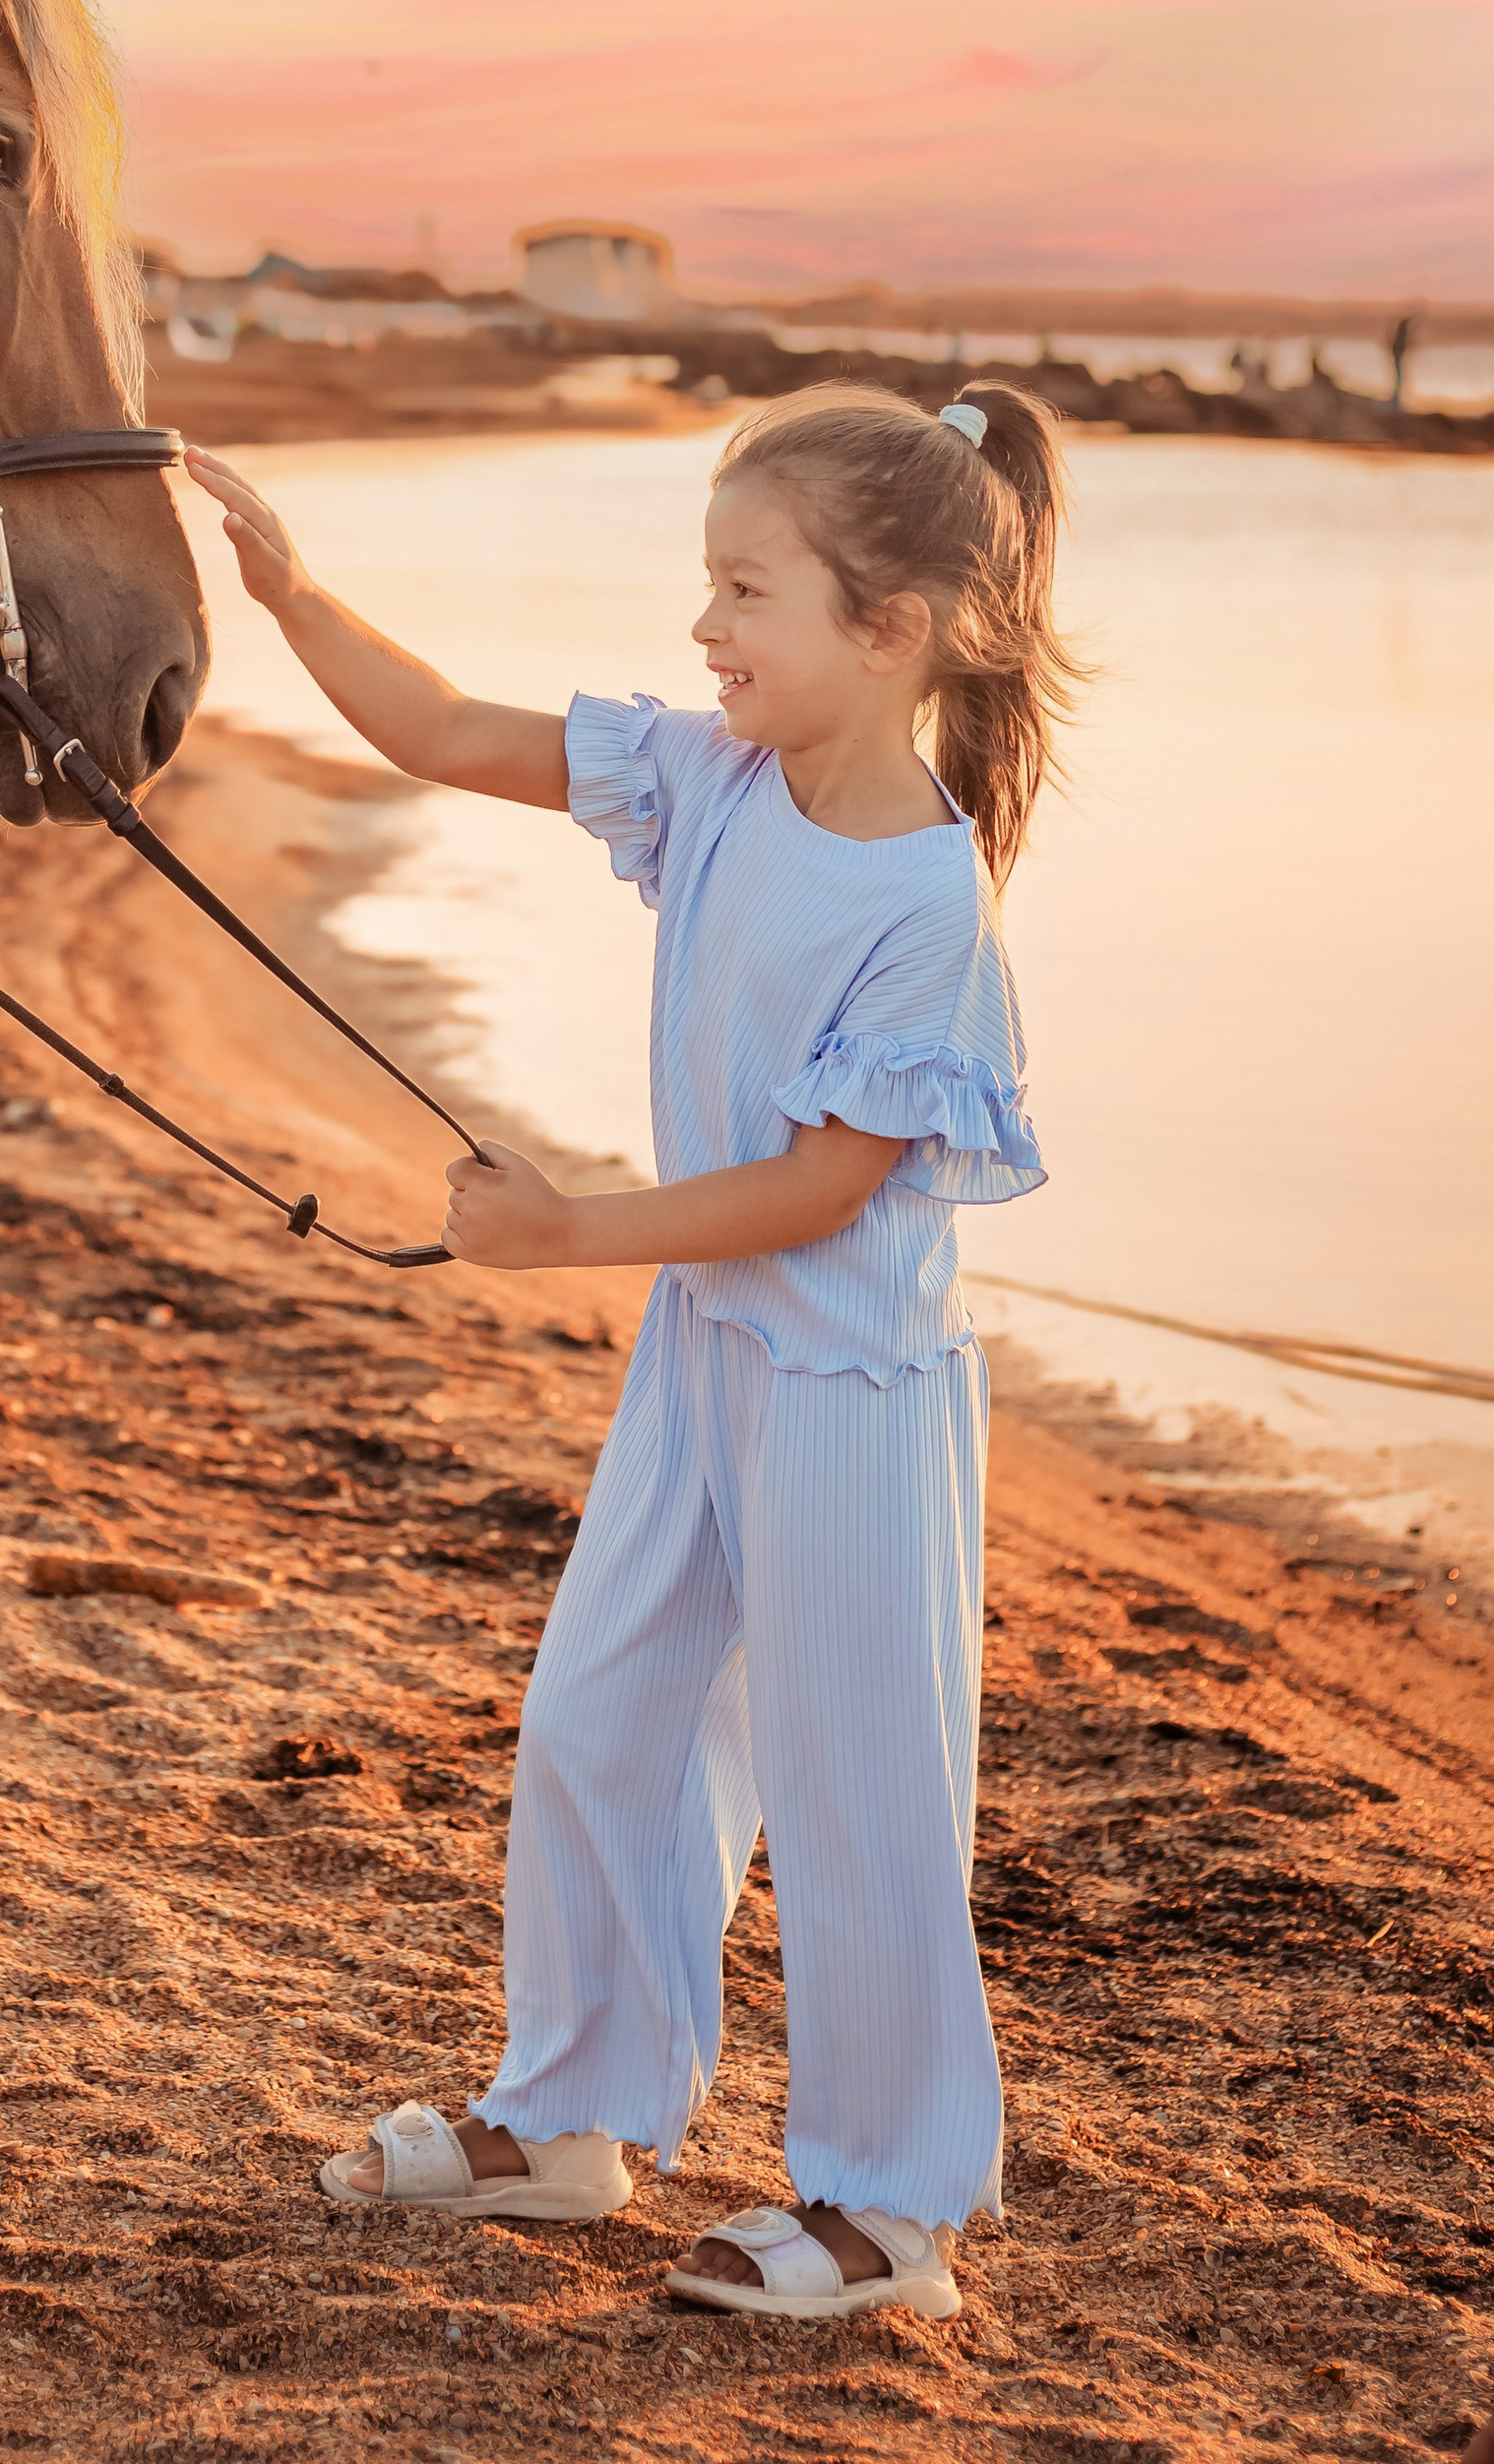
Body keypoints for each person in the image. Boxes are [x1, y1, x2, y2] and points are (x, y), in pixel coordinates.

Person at [185, 383, 1083, 2322]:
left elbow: (825, 1191)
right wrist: (287, 590)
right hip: (702, 1360)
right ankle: (574, 2116)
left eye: (744, 591)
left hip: (843, 1397)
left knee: (859, 1797)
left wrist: (567, 1232)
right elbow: (436, 730)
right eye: (706, 584)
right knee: (602, 1714)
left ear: (891, 631)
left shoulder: (926, 902)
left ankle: (884, 2218)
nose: (704, 628)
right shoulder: (709, 775)